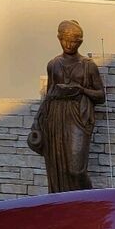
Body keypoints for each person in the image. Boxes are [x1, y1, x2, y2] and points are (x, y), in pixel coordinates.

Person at [33, 20, 105, 193]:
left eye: (74, 41)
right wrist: (37, 123)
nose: (69, 44)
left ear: (80, 42)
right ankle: (61, 204)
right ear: (59, 38)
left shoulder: (88, 66)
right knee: (57, 167)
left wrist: (81, 90)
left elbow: (101, 96)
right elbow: (49, 95)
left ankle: (89, 202)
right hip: (56, 117)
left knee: (76, 169)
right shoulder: (53, 64)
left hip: (78, 116)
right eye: (65, 39)